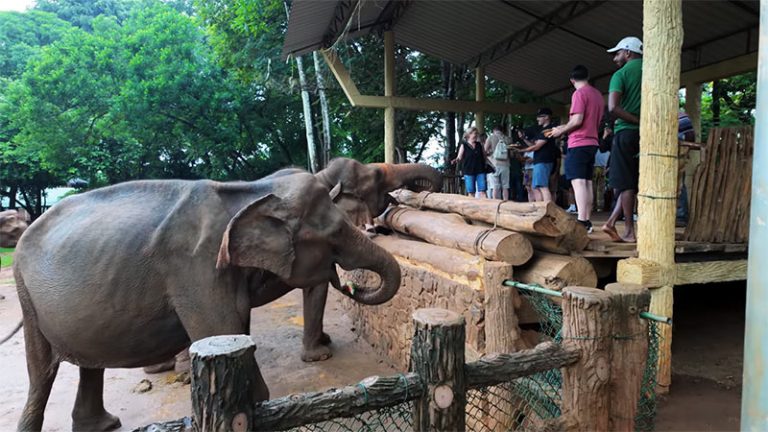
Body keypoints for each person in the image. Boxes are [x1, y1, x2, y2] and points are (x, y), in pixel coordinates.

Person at [549, 65, 605, 233]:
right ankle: (586, 219)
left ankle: (582, 221)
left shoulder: (579, 94)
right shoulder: (597, 95)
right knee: (587, 182)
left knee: (579, 182)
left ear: (572, 80)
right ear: (587, 76)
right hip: (592, 142)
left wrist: (560, 130)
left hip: (579, 142)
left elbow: (577, 120)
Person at [601, 36, 643, 242]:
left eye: (618, 53)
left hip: (627, 132)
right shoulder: (653, 71)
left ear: (628, 52)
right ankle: (611, 221)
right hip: (647, 135)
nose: (615, 58)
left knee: (625, 183)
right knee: (632, 182)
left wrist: (636, 121)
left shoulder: (621, 74)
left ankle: (628, 230)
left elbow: (613, 108)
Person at [517, 108, 559, 202]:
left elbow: (537, 147)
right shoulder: (542, 130)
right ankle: (540, 209)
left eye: (540, 116)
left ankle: (547, 211)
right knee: (536, 187)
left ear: (547, 117)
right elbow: (534, 145)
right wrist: (524, 139)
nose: (537, 119)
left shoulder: (548, 130)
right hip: (539, 161)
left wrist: (522, 149)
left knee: (543, 187)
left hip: (543, 161)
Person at [451, 127, 488, 198]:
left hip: (480, 170)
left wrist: (487, 164)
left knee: (483, 190)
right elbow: (459, 157)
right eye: (475, 134)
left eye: (477, 134)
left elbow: (484, 156)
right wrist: (455, 160)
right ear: (469, 134)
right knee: (471, 192)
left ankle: (485, 206)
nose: (476, 135)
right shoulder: (464, 146)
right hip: (468, 171)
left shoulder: (479, 145)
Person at [484, 125, 512, 200]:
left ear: (493, 130)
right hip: (506, 165)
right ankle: (506, 202)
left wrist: (489, 154)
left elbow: (485, 151)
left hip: (494, 164)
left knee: (495, 186)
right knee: (505, 186)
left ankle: (495, 203)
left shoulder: (491, 137)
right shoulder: (508, 139)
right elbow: (511, 153)